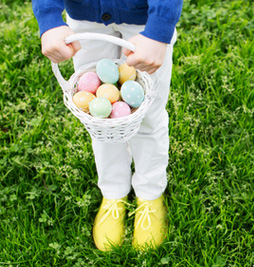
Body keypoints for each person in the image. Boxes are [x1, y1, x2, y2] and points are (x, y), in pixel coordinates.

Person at [31, 0, 183, 252]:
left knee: (148, 113)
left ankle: (150, 191)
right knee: (100, 117)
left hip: (144, 20)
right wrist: (48, 16)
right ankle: (113, 190)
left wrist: (160, 26)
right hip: (85, 17)